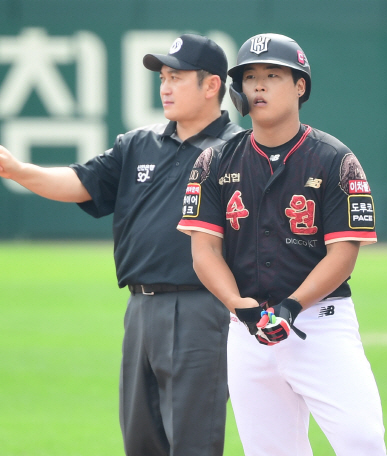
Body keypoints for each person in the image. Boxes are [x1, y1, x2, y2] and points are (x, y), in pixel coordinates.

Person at [0, 34, 241, 455]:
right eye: (163, 77)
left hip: (204, 308)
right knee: (141, 440)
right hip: (141, 308)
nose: (165, 86)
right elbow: (80, 182)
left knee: (193, 441)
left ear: (211, 85)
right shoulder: (138, 144)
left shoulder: (238, 151)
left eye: (177, 77)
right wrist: (18, 170)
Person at [177, 33, 387, 455]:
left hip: (320, 325)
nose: (258, 86)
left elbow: (344, 254)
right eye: (250, 77)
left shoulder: (335, 160)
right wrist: (238, 305)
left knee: (362, 441)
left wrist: (292, 306)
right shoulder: (214, 162)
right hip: (248, 332)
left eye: (273, 75)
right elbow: (204, 251)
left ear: (299, 86)